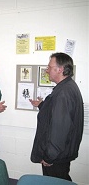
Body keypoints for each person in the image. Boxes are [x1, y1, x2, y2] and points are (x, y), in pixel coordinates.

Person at [29, 52, 84, 181]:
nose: (47, 70)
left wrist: (49, 157)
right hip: (61, 153)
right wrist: (42, 105)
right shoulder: (67, 87)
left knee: (55, 181)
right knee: (61, 179)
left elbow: (60, 129)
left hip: (56, 156)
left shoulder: (64, 93)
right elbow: (57, 113)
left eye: (49, 67)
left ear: (60, 69)